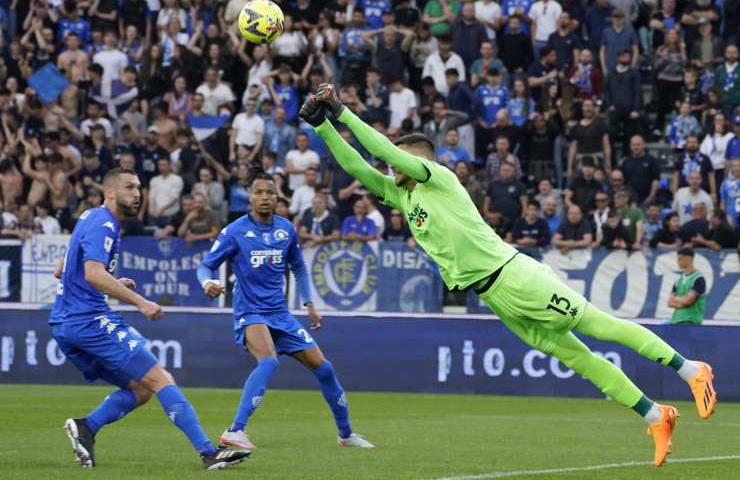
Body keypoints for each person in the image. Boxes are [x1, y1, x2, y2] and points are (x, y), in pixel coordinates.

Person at [301, 87, 717, 466]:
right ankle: (656, 415)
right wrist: (323, 126)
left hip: (516, 276)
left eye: (397, 160)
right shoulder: (403, 194)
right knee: (579, 359)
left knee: (599, 325)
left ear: (418, 159)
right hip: (495, 295)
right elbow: (357, 166)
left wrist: (344, 113)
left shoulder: (437, 178)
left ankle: (691, 370)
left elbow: (382, 152)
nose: (388, 169)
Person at [49, 168, 249, 470]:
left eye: (139, 188)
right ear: (110, 192)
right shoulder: (104, 223)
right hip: (88, 320)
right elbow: (92, 272)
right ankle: (209, 453)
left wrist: (113, 281)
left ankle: (86, 427)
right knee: (160, 378)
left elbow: (63, 266)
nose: (137, 193)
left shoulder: (89, 217)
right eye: (129, 187)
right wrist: (141, 302)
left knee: (140, 389)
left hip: (66, 323)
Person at [196, 173, 373, 451]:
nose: (265, 197)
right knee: (268, 361)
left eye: (270, 192)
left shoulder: (286, 229)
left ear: (278, 197)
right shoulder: (235, 231)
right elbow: (205, 265)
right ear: (250, 198)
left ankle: (346, 434)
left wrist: (309, 304)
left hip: (280, 314)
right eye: (259, 192)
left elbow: (299, 267)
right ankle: (235, 430)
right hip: (250, 311)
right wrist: (207, 282)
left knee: (324, 369)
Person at [669, 248, 707, 325]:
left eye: (680, 259)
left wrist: (675, 299)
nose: (678, 262)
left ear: (689, 259)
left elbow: (688, 301)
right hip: (676, 320)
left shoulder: (698, 279)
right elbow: (670, 303)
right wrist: (683, 302)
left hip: (691, 320)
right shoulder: (679, 280)